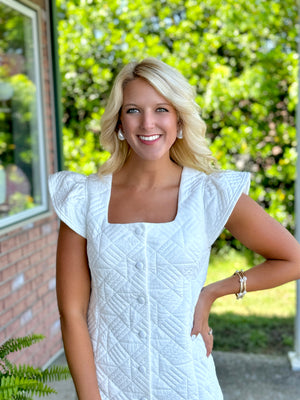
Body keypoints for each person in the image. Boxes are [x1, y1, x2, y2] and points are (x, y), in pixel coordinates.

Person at [49, 58, 300, 400]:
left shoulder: (208, 193)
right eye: (134, 110)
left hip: (190, 386)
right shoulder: (83, 199)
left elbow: (292, 259)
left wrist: (213, 291)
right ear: (119, 122)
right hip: (110, 388)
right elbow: (72, 313)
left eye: (162, 109)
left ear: (179, 119)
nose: (148, 123)